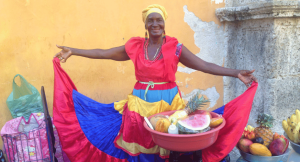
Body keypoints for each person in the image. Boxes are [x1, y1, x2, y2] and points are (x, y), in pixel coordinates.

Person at [53, 4, 257, 162]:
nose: (155, 24)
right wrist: (74, 51)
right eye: (150, 20)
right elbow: (104, 53)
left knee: (166, 142)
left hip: (169, 102)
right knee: (141, 142)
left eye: (159, 20)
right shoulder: (135, 46)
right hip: (140, 102)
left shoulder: (175, 47)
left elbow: (203, 65)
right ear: (145, 24)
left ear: (164, 22)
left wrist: (236, 72)